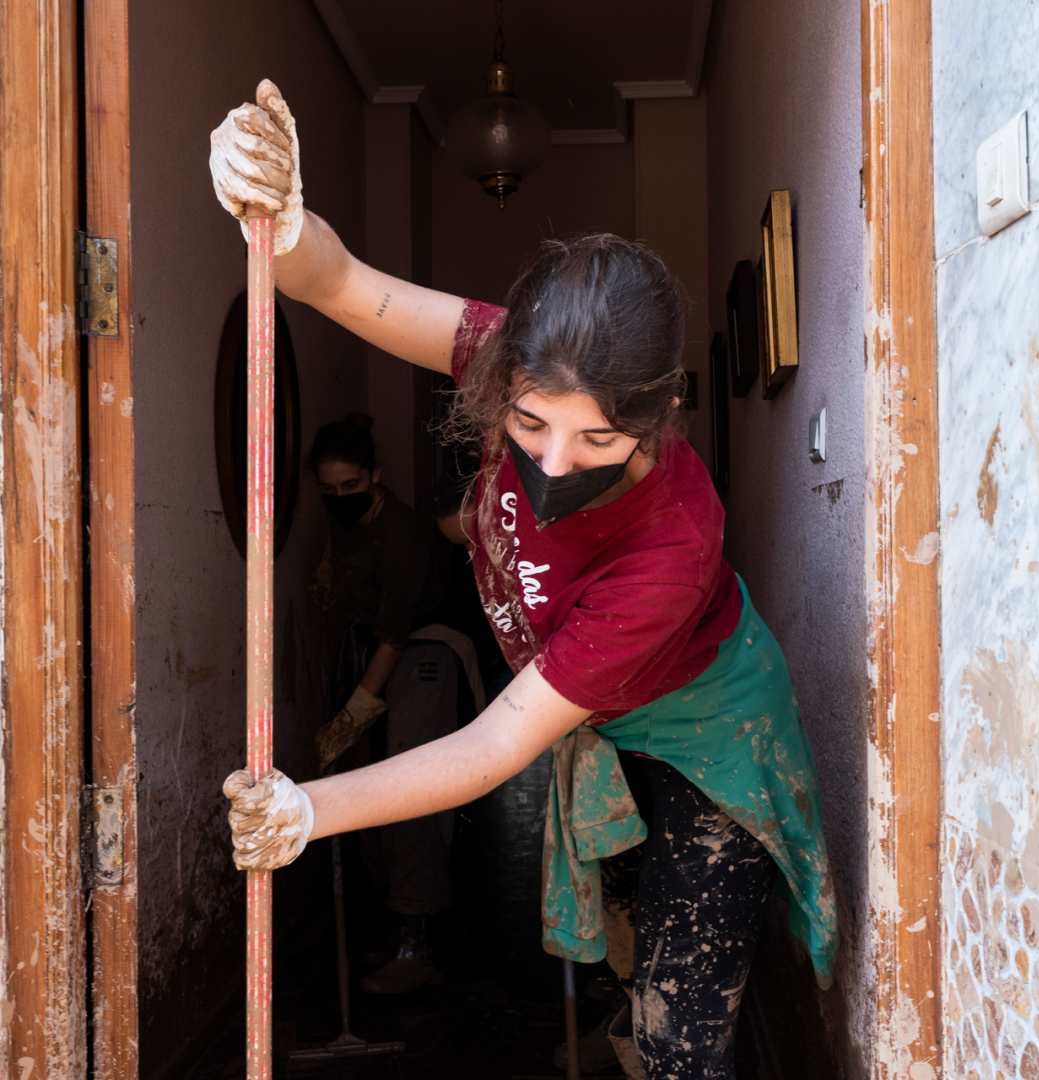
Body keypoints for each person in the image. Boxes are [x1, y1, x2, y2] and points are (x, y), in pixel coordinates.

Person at [214, 81, 837, 1080]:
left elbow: (497, 740)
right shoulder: (503, 351)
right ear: (506, 377)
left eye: (599, 438)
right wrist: (284, 219)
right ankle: (624, 1030)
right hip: (605, 719)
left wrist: (310, 808)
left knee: (685, 1042)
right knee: (626, 948)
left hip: (710, 734)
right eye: (532, 424)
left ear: (659, 416)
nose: (552, 463)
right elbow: (339, 284)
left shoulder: (668, 546)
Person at [307, 413, 484, 994]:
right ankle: (395, 921)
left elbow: (394, 633)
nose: (340, 500)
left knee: (409, 791)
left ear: (375, 476)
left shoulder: (405, 536)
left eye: (351, 488)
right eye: (328, 491)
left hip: (422, 657)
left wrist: (356, 711)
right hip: (379, 657)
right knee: (364, 789)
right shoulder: (347, 518)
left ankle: (419, 943)